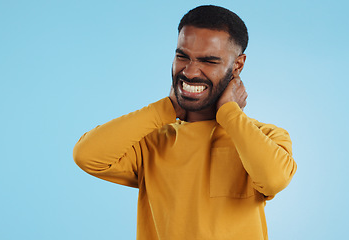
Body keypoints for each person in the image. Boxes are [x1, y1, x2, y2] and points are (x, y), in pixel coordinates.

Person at [73, 5, 297, 240]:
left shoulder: (266, 136)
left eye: (209, 61)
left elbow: (273, 180)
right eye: (182, 56)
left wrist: (230, 115)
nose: (190, 72)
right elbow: (87, 156)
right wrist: (165, 110)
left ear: (237, 66)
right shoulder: (152, 142)